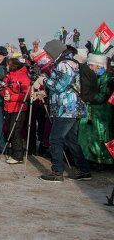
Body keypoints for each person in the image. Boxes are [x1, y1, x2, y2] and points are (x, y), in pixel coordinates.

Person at [40, 40, 92, 181]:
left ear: (54, 51)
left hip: (66, 108)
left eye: (49, 53)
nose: (48, 56)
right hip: (72, 107)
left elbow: (59, 86)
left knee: (55, 138)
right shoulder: (70, 62)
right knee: (70, 140)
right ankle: (84, 169)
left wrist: (44, 80)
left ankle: (57, 171)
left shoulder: (64, 64)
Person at [78, 53, 113, 167]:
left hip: (101, 112)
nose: (90, 67)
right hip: (90, 110)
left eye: (91, 65)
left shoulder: (106, 78)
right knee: (88, 135)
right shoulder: (94, 76)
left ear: (98, 65)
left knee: (100, 136)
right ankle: (88, 157)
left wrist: (88, 98)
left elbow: (103, 96)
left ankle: (102, 160)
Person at [0, 58, 31, 164]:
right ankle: (13, 152)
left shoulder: (23, 76)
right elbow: (4, 90)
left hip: (18, 108)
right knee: (9, 130)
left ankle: (18, 156)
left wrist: (11, 97)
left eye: (8, 65)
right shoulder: (8, 76)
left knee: (15, 131)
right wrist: (1, 89)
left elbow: (27, 94)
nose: (6, 67)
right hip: (8, 106)